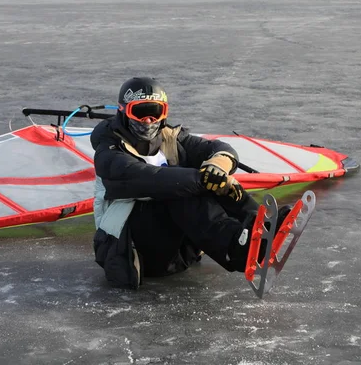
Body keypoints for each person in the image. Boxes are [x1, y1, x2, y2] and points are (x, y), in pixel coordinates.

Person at [91, 77, 290, 289]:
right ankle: (237, 251)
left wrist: (218, 168)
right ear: (123, 111)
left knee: (213, 179)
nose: (148, 121)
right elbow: (150, 179)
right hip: (129, 251)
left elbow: (219, 148)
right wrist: (204, 179)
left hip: (177, 254)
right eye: (140, 112)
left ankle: (259, 228)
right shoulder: (108, 151)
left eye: (155, 112)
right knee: (182, 186)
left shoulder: (171, 138)